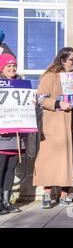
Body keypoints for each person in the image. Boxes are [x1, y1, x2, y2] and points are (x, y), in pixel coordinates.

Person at [34, 47, 73, 209]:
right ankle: (46, 194)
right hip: (55, 124)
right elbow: (40, 98)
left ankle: (65, 194)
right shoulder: (50, 76)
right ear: (62, 60)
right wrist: (57, 103)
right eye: (72, 59)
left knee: (72, 159)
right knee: (51, 160)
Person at [0, 54, 26, 214]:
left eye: (13, 66)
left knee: (10, 170)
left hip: (17, 135)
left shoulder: (21, 84)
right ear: (2, 68)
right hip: (2, 135)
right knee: (0, 169)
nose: (12, 68)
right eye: (8, 66)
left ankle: (6, 201)